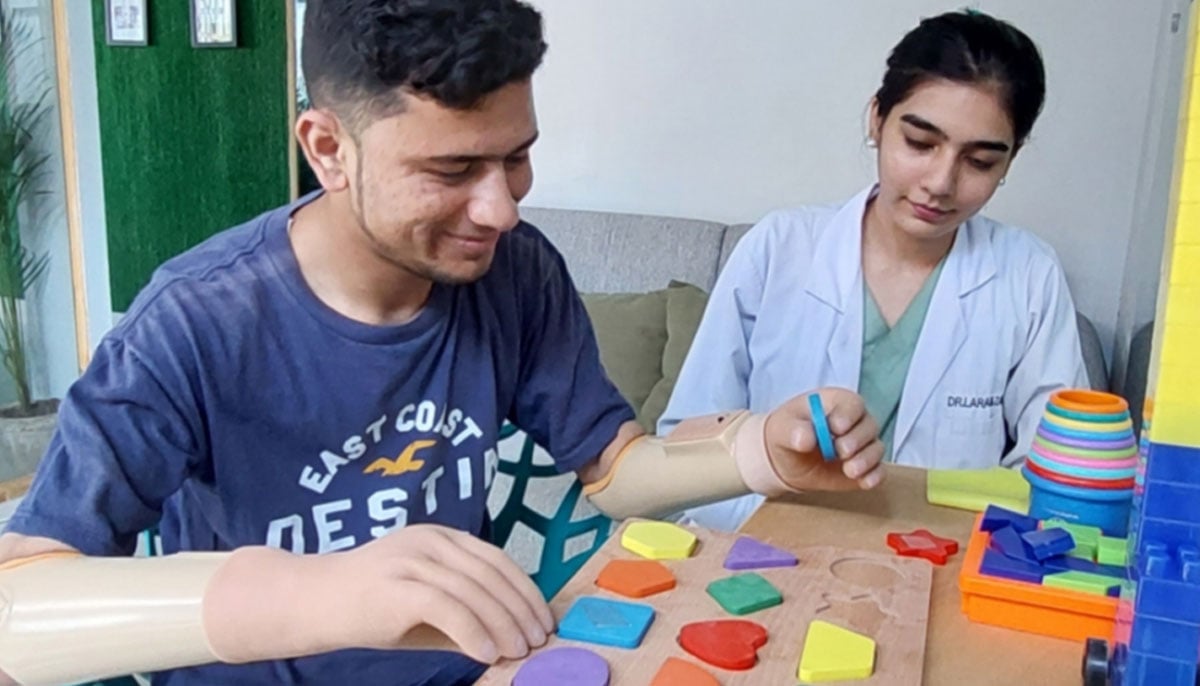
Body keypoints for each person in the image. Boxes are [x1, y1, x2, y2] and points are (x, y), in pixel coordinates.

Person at [0, 2, 885, 685]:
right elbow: (17, 609)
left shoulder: (516, 270)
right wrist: (326, 591)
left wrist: (758, 452)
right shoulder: (195, 321)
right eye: (452, 170)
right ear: (327, 148)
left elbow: (614, 471)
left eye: (516, 158)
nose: (501, 208)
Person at [663, 10, 1088, 533]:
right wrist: (773, 526)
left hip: (940, 568)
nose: (940, 182)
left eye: (979, 162)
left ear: (1009, 161)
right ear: (877, 120)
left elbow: (1057, 477)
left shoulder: (1028, 276)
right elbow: (688, 448)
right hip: (764, 556)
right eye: (920, 143)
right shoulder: (779, 249)